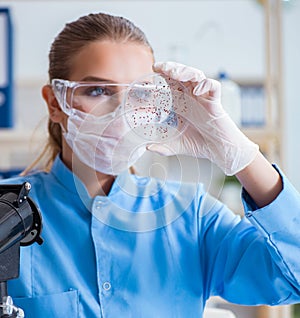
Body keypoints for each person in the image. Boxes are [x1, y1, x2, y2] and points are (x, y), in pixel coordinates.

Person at [1, 12, 300, 318]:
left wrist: (240, 154)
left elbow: (294, 278)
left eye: (139, 94)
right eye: (98, 91)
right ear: (55, 103)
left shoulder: (190, 215)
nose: (120, 112)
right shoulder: (6, 213)